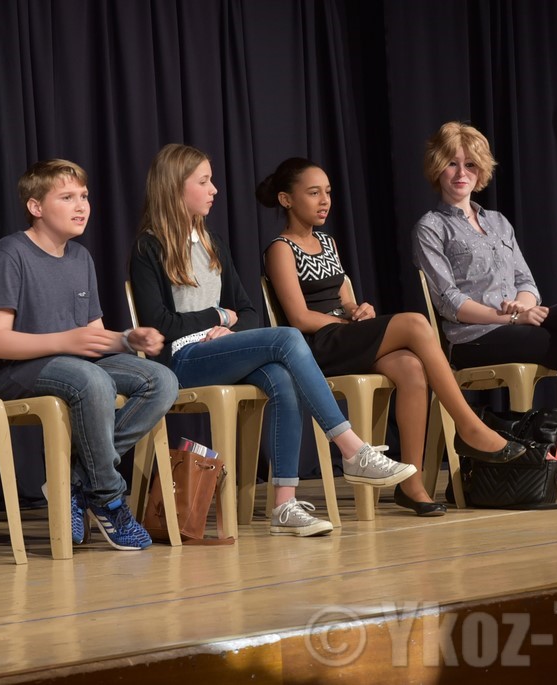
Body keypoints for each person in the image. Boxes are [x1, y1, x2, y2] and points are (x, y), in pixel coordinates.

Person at [129, 143, 415, 537]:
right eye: (204, 181)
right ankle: (351, 449)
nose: (214, 190)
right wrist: (217, 316)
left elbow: (247, 312)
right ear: (176, 187)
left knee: (282, 376)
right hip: (182, 360)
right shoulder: (149, 246)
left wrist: (230, 325)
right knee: (287, 338)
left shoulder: (212, 244)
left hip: (221, 349)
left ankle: (283, 503)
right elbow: (159, 324)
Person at [259, 158, 529, 518]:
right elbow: (300, 317)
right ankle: (468, 425)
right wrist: (346, 324)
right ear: (286, 199)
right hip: (313, 348)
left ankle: (411, 483)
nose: (324, 200)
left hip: (344, 335)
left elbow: (345, 300)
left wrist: (359, 310)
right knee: (416, 324)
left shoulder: (327, 242)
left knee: (411, 368)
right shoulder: (281, 248)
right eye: (313, 193)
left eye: (328, 192)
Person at [413, 121, 557, 498]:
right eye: (452, 164)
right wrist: (510, 316)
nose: (461, 173)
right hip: (473, 339)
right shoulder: (431, 228)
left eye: (470, 165)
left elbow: (526, 282)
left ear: (481, 170)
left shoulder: (498, 222)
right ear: (438, 168)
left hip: (518, 324)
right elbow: (450, 303)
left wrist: (523, 305)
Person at [0, 159, 179, 551]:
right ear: (36, 207)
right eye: (67, 197)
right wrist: (66, 341)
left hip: (75, 362)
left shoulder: (80, 258)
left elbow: (93, 337)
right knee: (92, 379)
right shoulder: (10, 255)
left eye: (84, 196)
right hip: (17, 372)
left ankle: (69, 479)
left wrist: (126, 341)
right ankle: (108, 498)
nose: (81, 205)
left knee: (161, 380)